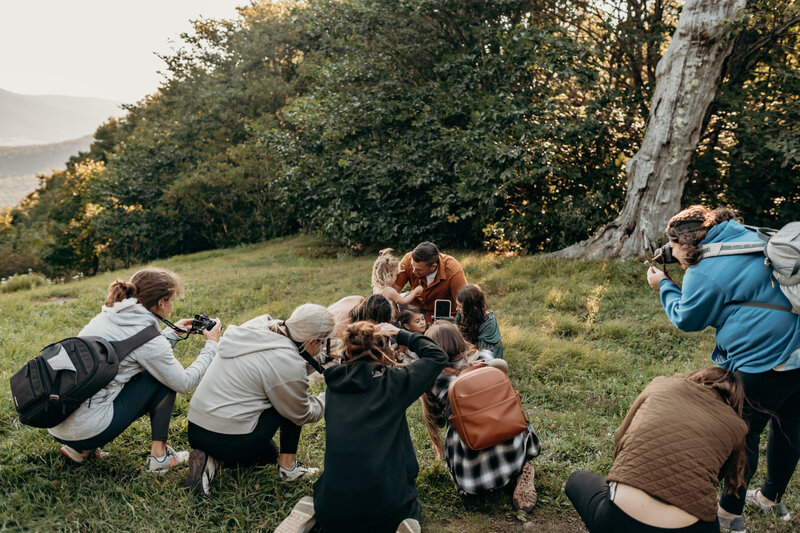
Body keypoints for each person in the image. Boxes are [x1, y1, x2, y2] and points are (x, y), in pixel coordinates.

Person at [646, 205, 800, 532]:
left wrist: (664, 287)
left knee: (742, 433)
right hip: (798, 346)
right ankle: (771, 498)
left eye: (671, 247)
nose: (669, 253)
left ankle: (730, 514)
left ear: (685, 245)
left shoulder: (704, 270)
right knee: (790, 422)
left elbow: (688, 319)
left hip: (765, 358)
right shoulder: (746, 235)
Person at [278, 320, 448, 533]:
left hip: (332, 510)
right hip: (387, 508)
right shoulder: (394, 384)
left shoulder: (333, 388)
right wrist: (400, 333)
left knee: (328, 499)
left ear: (347, 352)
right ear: (383, 353)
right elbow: (437, 356)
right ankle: (401, 525)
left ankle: (313, 514)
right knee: (408, 510)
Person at [49, 267, 221, 472]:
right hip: (86, 429)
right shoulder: (148, 338)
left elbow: (135, 351)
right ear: (161, 302)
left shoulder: (109, 316)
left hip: (58, 421)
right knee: (162, 380)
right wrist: (211, 346)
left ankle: (81, 450)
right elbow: (183, 383)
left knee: (130, 378)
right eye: (172, 300)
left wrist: (172, 333)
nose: (172, 305)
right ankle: (159, 458)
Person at [565, 368, 748, 533]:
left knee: (576, 480)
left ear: (699, 376)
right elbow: (718, 475)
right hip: (690, 527)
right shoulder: (737, 427)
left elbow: (620, 438)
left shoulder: (661, 385)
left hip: (618, 519)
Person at [183, 303, 333, 495]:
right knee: (289, 401)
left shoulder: (258, 327)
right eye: (323, 342)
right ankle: (288, 468)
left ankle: (211, 461)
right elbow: (301, 413)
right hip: (230, 438)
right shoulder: (287, 361)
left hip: (197, 427)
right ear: (312, 341)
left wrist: (321, 361)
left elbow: (282, 365)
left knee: (267, 455)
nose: (323, 347)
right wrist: (327, 397)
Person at [421, 322, 534, 512]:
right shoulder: (485, 357)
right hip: (508, 430)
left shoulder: (435, 378)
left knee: (455, 428)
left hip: (472, 472)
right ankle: (521, 468)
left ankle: (490, 477)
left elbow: (440, 422)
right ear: (459, 339)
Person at [392, 242, 467, 323]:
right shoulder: (408, 259)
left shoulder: (453, 270)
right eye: (412, 267)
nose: (413, 271)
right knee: (391, 308)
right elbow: (393, 291)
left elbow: (464, 304)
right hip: (415, 304)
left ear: (433, 266)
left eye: (419, 270)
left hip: (441, 315)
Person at [455, 284, 504, 359]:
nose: (456, 309)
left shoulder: (488, 323)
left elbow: (483, 355)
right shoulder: (461, 315)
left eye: (460, 306)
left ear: (473, 309)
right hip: (469, 351)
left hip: (486, 357)